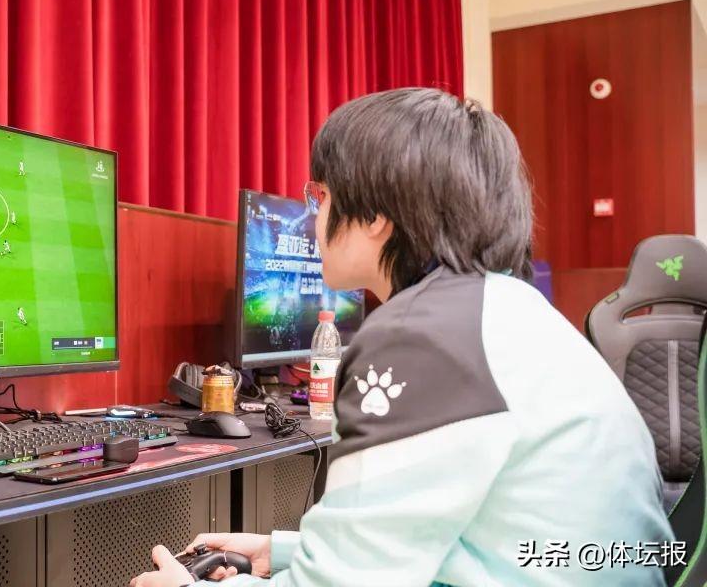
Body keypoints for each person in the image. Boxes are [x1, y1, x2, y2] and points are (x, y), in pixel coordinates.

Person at [130, 88, 673, 587]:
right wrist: (285, 551)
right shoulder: (504, 307)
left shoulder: (422, 336)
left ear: (374, 215)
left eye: (321, 196)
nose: (314, 219)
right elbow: (448, 525)